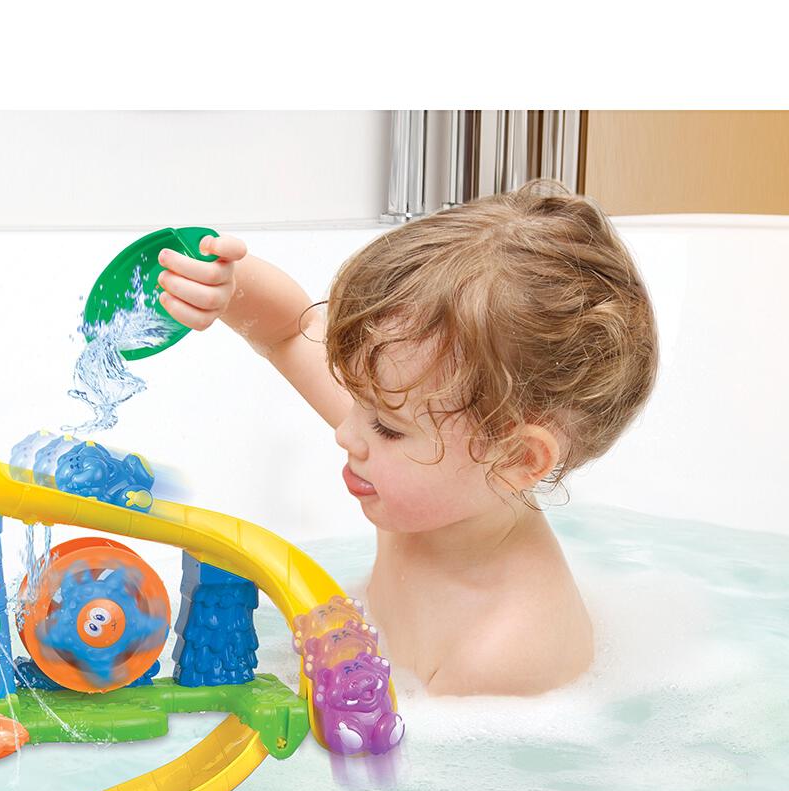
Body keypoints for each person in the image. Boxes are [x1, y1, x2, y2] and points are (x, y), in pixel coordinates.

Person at [156, 180, 659, 695]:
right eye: (356, 400)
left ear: (516, 457)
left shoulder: (504, 653)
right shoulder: (442, 473)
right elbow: (288, 332)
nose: (346, 431)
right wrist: (228, 286)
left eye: (386, 427)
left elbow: (420, 748)